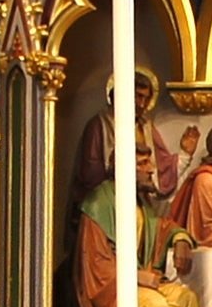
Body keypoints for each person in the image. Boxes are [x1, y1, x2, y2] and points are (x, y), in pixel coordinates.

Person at [73, 142, 212, 307]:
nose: (150, 170)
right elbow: (94, 263)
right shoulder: (99, 203)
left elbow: (161, 228)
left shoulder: (139, 201)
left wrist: (181, 238)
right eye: (142, 164)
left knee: (186, 299)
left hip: (142, 281)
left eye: (149, 163)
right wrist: (134, 276)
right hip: (114, 288)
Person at [74, 67, 197, 207]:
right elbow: (91, 173)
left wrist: (185, 154)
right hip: (110, 203)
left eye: (146, 98)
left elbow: (161, 170)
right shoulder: (100, 125)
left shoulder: (145, 127)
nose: (141, 104)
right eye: (138, 96)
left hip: (140, 202)